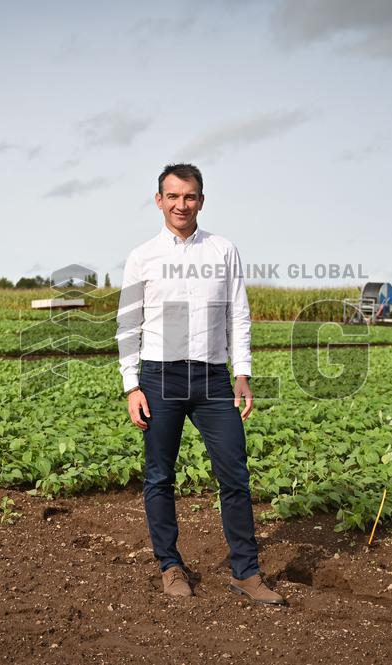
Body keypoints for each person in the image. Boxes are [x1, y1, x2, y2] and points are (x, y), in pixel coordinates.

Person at [115, 163, 285, 605]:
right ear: (159, 201)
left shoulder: (224, 250)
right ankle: (170, 567)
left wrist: (242, 374)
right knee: (159, 476)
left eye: (189, 196)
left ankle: (246, 572)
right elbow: (127, 325)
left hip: (212, 378)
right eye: (172, 196)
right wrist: (132, 385)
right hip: (160, 376)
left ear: (201, 201)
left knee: (235, 475)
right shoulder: (142, 257)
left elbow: (239, 316)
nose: (181, 204)